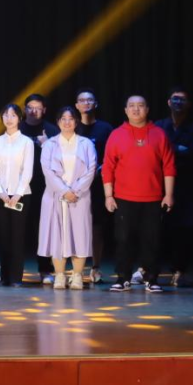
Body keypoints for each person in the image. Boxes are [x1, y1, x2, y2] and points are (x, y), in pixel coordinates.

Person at [104, 95, 176, 293]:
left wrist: (169, 194)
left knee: (151, 240)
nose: (136, 109)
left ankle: (151, 278)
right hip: (123, 197)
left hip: (153, 198)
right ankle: (123, 278)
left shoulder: (159, 134)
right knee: (123, 239)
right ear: (126, 110)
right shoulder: (117, 134)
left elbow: (169, 166)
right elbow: (108, 167)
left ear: (147, 109)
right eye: (132, 106)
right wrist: (108, 196)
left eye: (140, 106)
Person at [38, 106, 98, 290]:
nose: (67, 122)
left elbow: (91, 169)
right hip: (55, 195)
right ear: (58, 122)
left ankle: (77, 275)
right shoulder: (50, 144)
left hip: (79, 197)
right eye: (63, 119)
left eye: (70, 119)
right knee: (56, 235)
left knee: (79, 234)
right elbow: (47, 170)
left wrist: (75, 191)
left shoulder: (86, 144)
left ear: (76, 122)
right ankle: (59, 275)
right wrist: (64, 190)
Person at [155, 86, 193, 287]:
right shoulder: (160, 126)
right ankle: (150, 269)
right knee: (158, 229)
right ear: (169, 102)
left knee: (184, 230)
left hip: (188, 187)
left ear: (188, 104)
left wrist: (170, 150)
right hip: (160, 186)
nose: (178, 102)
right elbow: (155, 152)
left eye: (182, 99)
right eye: (175, 99)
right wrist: (179, 150)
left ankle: (179, 270)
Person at [0, 103, 34, 287]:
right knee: (4, 236)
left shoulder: (26, 142)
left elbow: (27, 171)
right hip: (2, 196)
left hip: (20, 196)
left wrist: (17, 193)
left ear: (19, 118)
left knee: (17, 236)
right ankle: (4, 276)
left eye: (13, 115)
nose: (9, 119)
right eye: (6, 115)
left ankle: (16, 277)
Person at [20, 93, 60, 284]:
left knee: (44, 229)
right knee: (18, 229)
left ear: (44, 110)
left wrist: (46, 145)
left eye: (38, 108)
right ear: (24, 109)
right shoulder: (17, 128)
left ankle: (45, 269)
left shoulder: (52, 130)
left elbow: (61, 159)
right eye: (30, 107)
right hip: (19, 187)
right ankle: (13, 270)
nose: (33, 111)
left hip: (44, 187)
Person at [75, 88, 114, 283]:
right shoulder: (72, 127)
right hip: (76, 186)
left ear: (96, 104)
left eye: (90, 100)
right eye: (82, 100)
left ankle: (96, 267)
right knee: (76, 226)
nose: (86, 103)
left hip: (98, 186)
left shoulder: (106, 128)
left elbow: (112, 155)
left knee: (97, 227)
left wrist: (101, 168)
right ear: (77, 105)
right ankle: (77, 268)